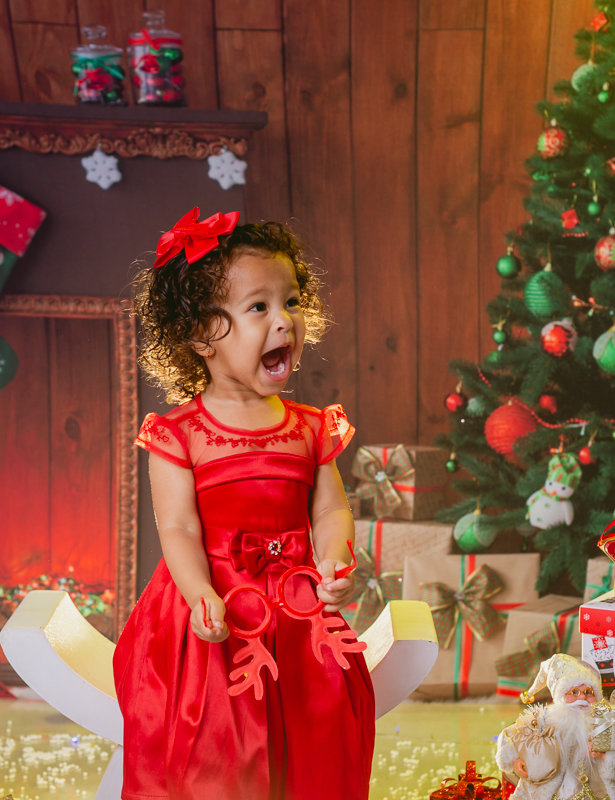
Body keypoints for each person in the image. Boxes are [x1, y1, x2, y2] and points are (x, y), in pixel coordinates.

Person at [113, 208, 374, 800]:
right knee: (215, 750)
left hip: (298, 609)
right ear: (201, 335)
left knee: (319, 730)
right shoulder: (181, 434)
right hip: (212, 613)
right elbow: (176, 526)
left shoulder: (309, 428)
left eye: (292, 302)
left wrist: (335, 560)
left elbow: (330, 510)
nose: (284, 320)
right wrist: (199, 592)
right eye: (259, 307)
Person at [495, 654, 615, 800]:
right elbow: (511, 736)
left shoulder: (606, 721)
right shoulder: (544, 720)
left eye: (588, 692)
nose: (582, 698)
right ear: (561, 694)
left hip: (599, 790)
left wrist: (604, 755)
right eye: (574, 692)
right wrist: (516, 759)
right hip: (553, 788)